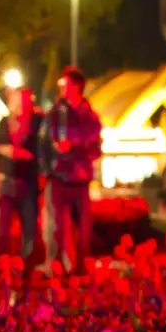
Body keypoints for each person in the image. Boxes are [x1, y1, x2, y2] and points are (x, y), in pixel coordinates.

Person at [42, 66, 102, 272]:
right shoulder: (55, 113)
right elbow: (45, 141)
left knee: (83, 228)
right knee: (55, 226)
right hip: (57, 175)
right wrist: (47, 166)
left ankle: (80, 268)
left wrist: (73, 145)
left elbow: (95, 147)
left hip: (80, 178)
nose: (61, 88)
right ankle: (55, 266)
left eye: (65, 84)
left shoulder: (90, 117)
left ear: (77, 87)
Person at [0, 84, 43, 264]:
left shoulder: (37, 123)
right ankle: (2, 264)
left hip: (27, 182)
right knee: (2, 229)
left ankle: (26, 266)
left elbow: (42, 149)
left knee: (29, 228)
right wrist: (11, 152)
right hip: (6, 181)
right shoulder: (5, 123)